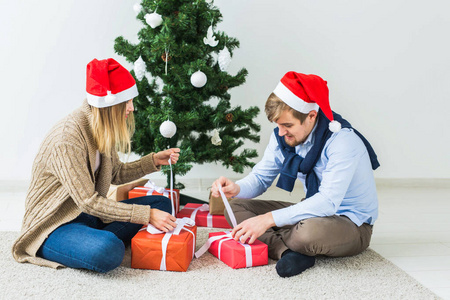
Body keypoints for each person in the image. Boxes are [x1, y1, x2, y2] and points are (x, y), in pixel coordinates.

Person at [12, 58, 180, 273]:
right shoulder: (67, 138)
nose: (132, 108)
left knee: (161, 204)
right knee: (108, 251)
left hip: (86, 215)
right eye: (126, 101)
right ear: (109, 103)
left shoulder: (100, 126)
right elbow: (89, 202)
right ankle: (92, 241)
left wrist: (153, 161)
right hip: (53, 225)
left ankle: (92, 237)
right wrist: (145, 215)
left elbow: (115, 174)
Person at [211, 72, 379, 278]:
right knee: (235, 207)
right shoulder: (283, 137)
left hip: (351, 223)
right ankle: (289, 252)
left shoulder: (342, 141)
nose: (281, 133)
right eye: (278, 125)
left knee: (307, 232)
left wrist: (267, 220)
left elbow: (327, 203)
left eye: (287, 125)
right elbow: (261, 178)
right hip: (310, 213)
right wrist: (235, 188)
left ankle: (284, 241)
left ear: (311, 116)